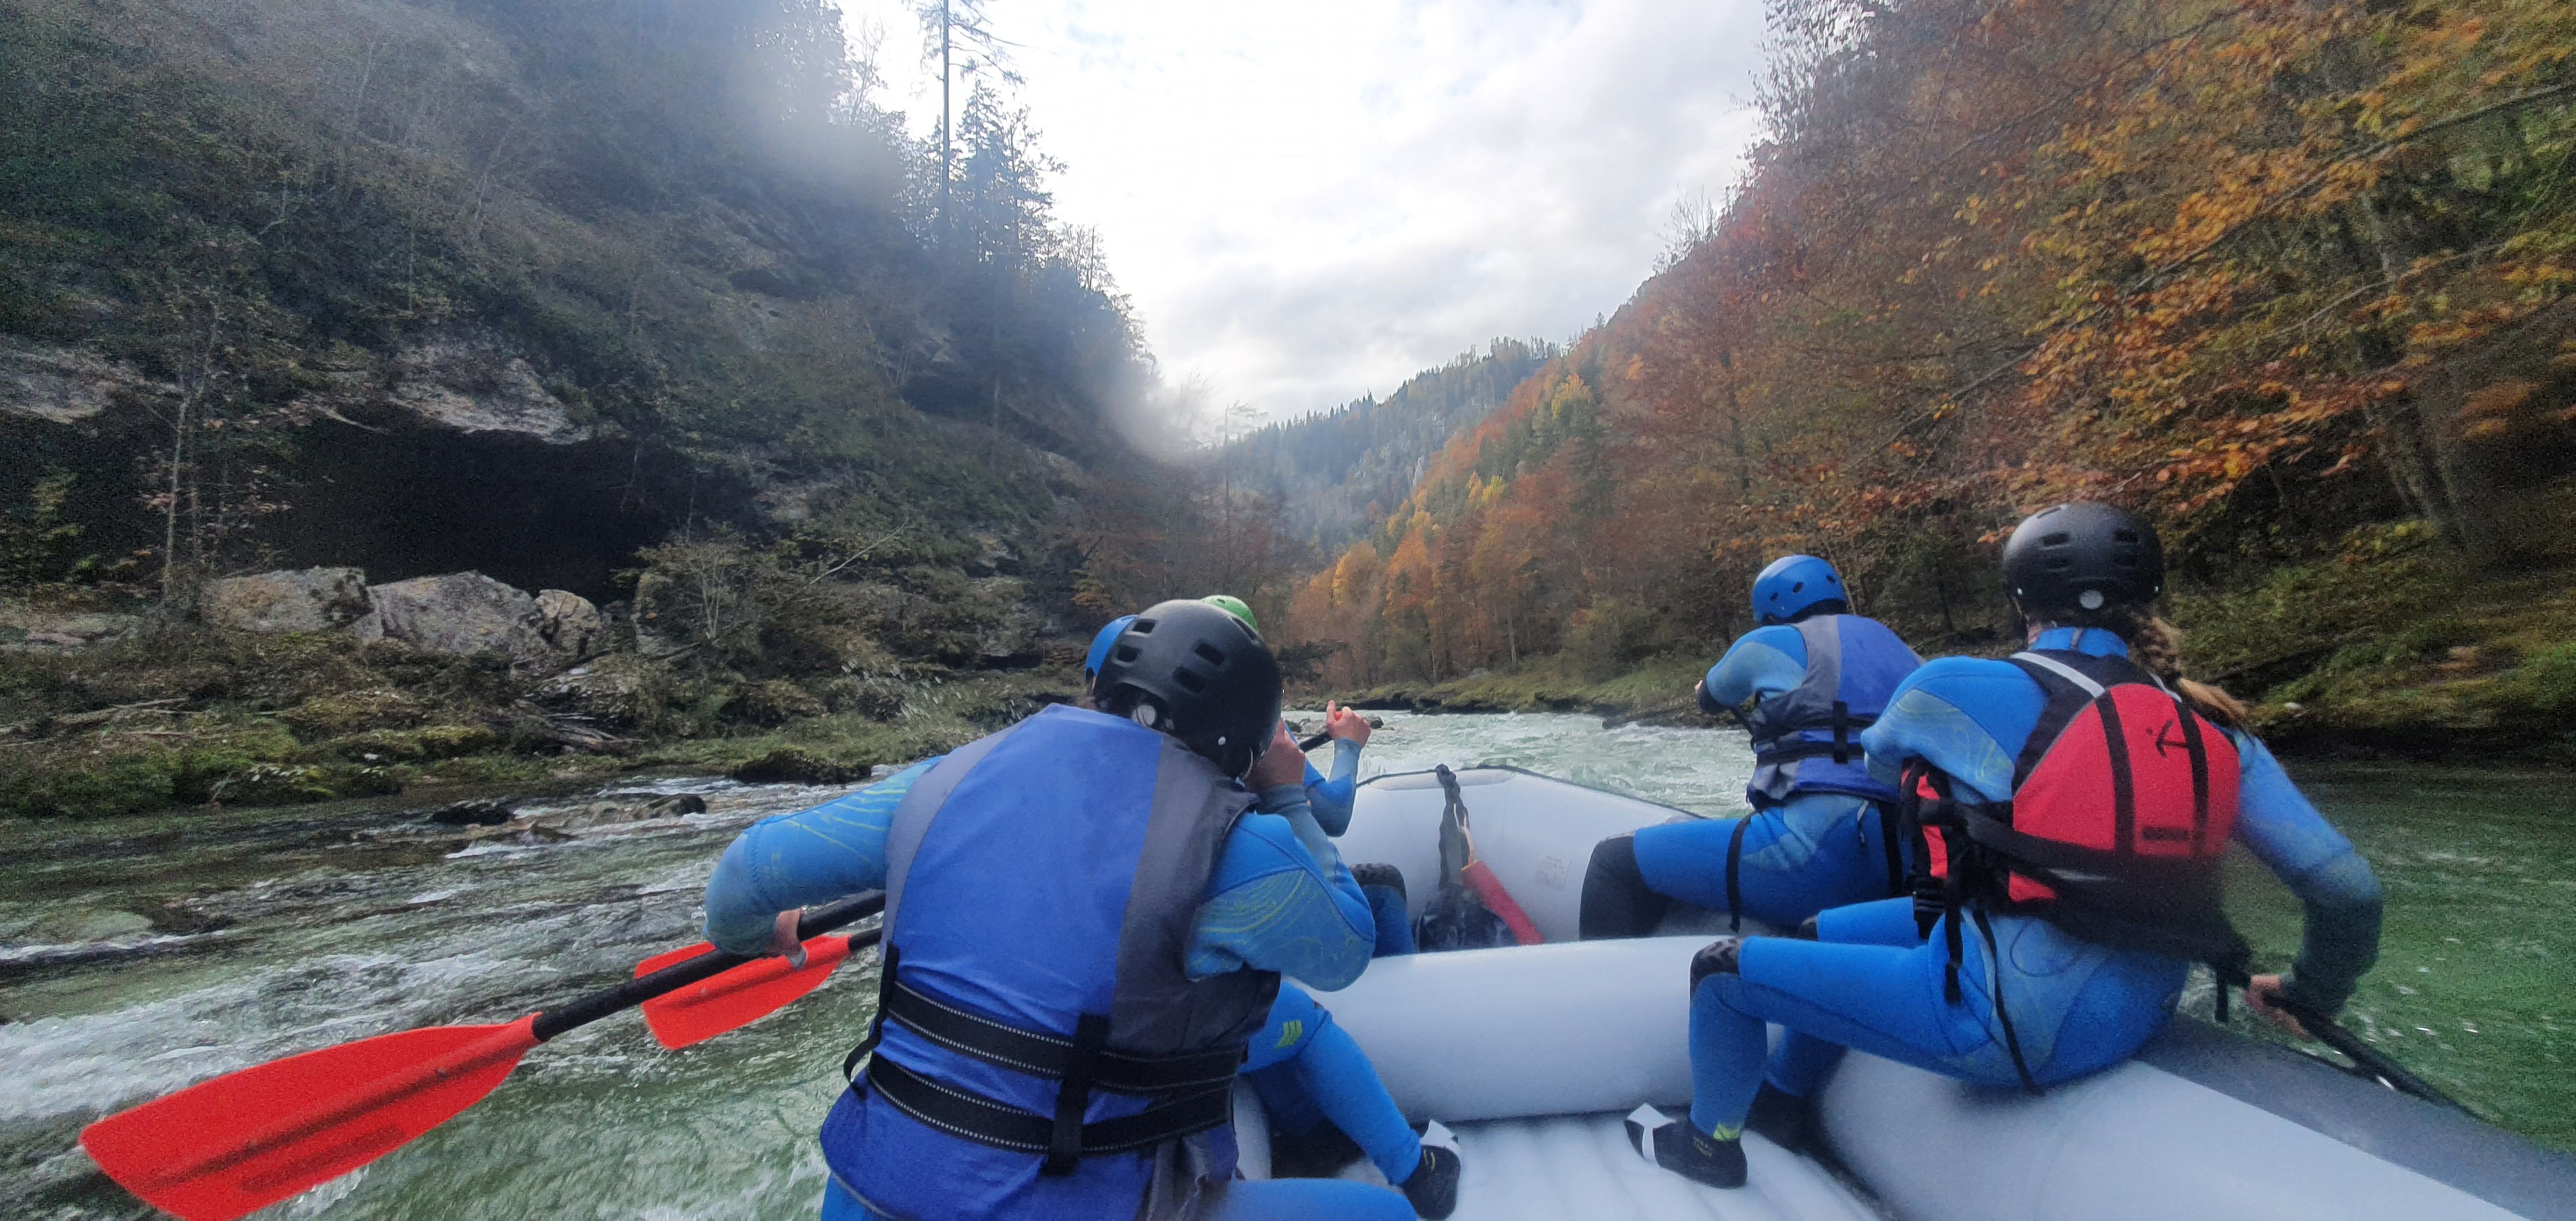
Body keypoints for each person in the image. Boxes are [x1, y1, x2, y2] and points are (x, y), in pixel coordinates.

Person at [1637, 503, 2385, 1190]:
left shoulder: (1954, 686)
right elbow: (2349, 891)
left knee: (1721, 974)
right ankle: (1784, 1103)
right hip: (2141, 1010)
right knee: (1826, 931)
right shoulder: (2210, 729)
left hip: (2001, 1029)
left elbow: (1882, 765)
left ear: (2019, 601)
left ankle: (1711, 1146)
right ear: (2149, 601)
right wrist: (2307, 992)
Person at [700, 601, 1425, 1220]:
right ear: (1244, 739)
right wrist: (1288, 790)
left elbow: (740, 879)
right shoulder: (1238, 844)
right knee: (1386, 1213)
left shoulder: (951, 776)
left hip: (872, 1189)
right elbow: (1346, 947)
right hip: (1071, 1199)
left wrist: (762, 936)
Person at [1579, 554, 1922, 941]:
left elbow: (1712, 695)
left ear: (1771, 611)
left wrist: (1705, 690)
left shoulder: (1769, 642)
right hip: (1911, 861)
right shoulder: (1902, 650)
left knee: (1613, 863)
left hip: (1814, 856)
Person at [1197, 595, 1408, 955]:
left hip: (1192, 898)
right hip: (1252, 890)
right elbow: (1333, 814)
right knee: (1386, 887)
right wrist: (1348, 745)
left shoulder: (1166, 722)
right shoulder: (1264, 724)